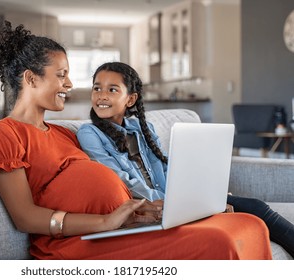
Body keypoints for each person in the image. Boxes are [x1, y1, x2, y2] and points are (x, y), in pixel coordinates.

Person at [0, 21, 272, 260]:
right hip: (77, 244)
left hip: (122, 228)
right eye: (61, 75)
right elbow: (25, 217)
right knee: (219, 243)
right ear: (31, 79)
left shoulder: (62, 133)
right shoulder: (6, 134)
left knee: (250, 224)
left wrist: (145, 212)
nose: (69, 84)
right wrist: (106, 222)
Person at [76, 61, 294, 258]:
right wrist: (174, 203)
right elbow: (118, 178)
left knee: (256, 207)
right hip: (153, 207)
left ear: (130, 99)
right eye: (97, 88)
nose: (101, 95)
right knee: (249, 213)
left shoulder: (141, 128)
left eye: (112, 89)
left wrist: (203, 193)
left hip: (178, 202)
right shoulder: (90, 133)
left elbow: (168, 167)